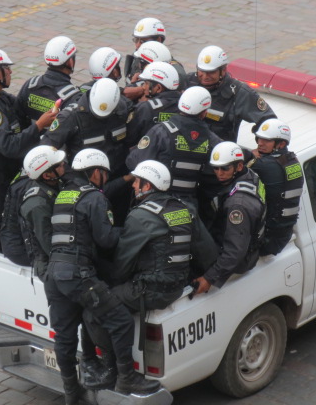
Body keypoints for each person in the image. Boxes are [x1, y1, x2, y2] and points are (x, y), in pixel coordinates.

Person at [44, 149, 161, 403]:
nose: (106, 179)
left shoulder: (64, 194)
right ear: (96, 172)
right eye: (105, 173)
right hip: (77, 274)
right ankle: (127, 377)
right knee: (120, 320)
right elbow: (106, 239)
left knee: (64, 336)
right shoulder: (95, 199)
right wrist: (129, 232)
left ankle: (71, 394)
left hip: (54, 274)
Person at [0, 48, 57, 251]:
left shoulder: (1, 99)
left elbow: (20, 110)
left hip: (5, 175)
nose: (10, 72)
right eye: (6, 69)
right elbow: (8, 145)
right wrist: (39, 125)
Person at [112, 160, 194, 311]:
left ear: (147, 186)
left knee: (97, 306)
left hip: (151, 291)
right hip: (179, 286)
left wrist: (113, 283)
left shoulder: (140, 216)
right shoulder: (186, 209)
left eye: (137, 181)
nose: (133, 185)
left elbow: (123, 261)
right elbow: (204, 248)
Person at [126, 86, 221, 210]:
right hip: (189, 206)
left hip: (157, 202)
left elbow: (134, 162)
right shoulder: (211, 139)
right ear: (204, 112)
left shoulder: (161, 132)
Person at [193, 142, 266, 295]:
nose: (219, 173)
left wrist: (209, 278)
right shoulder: (249, 175)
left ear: (239, 166)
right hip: (248, 241)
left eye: (225, 168)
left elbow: (235, 251)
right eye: (216, 168)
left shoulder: (237, 206)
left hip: (240, 257)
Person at [41, 78, 130, 179]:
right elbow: (46, 150)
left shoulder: (123, 107)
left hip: (117, 174)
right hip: (85, 180)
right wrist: (69, 175)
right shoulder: (70, 117)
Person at [187, 45, 276, 142]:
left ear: (223, 70)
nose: (205, 76)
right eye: (202, 71)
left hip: (219, 153)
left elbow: (269, 122)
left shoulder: (239, 93)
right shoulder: (187, 82)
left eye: (211, 72)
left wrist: (262, 149)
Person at [248, 119, 303, 256]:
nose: (260, 143)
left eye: (266, 140)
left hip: (269, 237)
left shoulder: (265, 165)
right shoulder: (292, 160)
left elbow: (235, 166)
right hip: (283, 232)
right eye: (259, 138)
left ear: (281, 143)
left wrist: (251, 157)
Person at [17, 145, 66, 279]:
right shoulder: (37, 205)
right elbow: (48, 243)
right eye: (58, 165)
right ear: (47, 175)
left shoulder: (54, 184)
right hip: (48, 264)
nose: (63, 164)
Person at [15, 36, 82, 127]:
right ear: (70, 61)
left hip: (29, 139)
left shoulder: (30, 85)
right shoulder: (74, 97)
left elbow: (18, 118)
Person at [125, 61, 181, 147]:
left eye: (146, 83)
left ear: (158, 88)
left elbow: (129, 138)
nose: (143, 87)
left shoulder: (145, 108)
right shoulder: (186, 106)